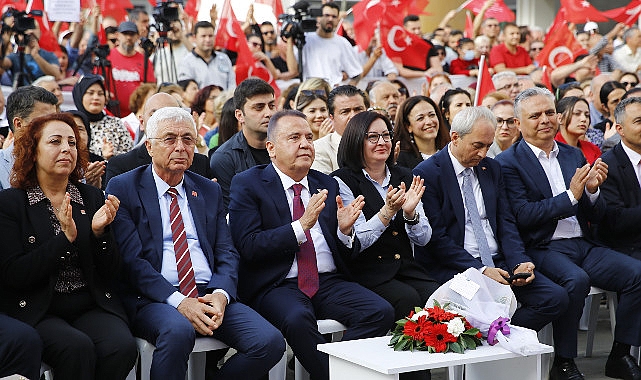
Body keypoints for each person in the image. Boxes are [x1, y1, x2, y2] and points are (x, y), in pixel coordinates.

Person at [106, 107, 285, 380]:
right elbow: (132, 262)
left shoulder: (207, 189)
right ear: (149, 147)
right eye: (170, 139)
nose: (180, 147)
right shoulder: (124, 187)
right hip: (155, 297)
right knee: (178, 331)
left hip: (208, 293)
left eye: (188, 139)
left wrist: (221, 294)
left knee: (269, 342)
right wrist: (179, 302)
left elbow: (226, 251)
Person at [228, 110, 394, 380]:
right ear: (271, 148)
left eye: (308, 137)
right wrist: (300, 226)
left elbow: (343, 249)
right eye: (294, 137)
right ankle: (338, 376)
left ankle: (334, 370)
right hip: (277, 283)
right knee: (297, 320)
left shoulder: (325, 182)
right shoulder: (249, 184)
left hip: (327, 280)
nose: (305, 143)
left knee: (379, 312)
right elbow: (248, 245)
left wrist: (344, 231)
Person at [495, 87, 641, 380]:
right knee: (576, 280)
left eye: (549, 112)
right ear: (519, 123)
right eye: (535, 116)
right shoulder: (508, 163)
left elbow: (595, 215)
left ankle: (620, 353)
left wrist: (591, 191)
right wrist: (571, 196)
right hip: (543, 246)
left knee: (636, 273)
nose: (544, 120)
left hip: (583, 244)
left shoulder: (573, 155)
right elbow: (523, 216)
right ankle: (564, 362)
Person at [0, 112, 137, 379]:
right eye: (55, 141)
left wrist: (100, 235)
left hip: (89, 303)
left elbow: (112, 272)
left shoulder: (92, 196)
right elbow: (14, 274)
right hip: (38, 306)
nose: (66, 149)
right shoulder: (11, 204)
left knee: (121, 347)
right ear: (33, 152)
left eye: (72, 143)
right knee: (76, 348)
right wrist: (64, 240)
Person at [412, 104, 567, 338]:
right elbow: (436, 239)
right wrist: (481, 270)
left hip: (499, 262)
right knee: (480, 308)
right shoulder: (428, 173)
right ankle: (494, 339)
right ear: (455, 137)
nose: (484, 153)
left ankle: (499, 337)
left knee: (554, 298)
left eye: (488, 145)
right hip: (458, 269)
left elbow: (505, 222)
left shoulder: (490, 167)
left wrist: (519, 261)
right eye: (477, 146)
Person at [333, 111, 440, 322]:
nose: (381, 142)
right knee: (405, 299)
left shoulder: (405, 175)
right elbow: (357, 241)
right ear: (356, 141)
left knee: (436, 295)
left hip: (405, 267)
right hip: (367, 271)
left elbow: (424, 238)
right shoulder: (342, 180)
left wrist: (410, 214)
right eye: (372, 137)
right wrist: (387, 212)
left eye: (386, 135)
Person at [105, 93, 213, 185]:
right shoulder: (122, 167)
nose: (163, 122)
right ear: (142, 122)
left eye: (170, 116)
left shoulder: (200, 164)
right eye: (155, 115)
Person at [209, 78, 275, 210]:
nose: (268, 113)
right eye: (259, 107)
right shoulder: (224, 158)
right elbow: (232, 214)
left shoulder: (288, 147)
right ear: (240, 115)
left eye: (272, 106)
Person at [599, 97, 641, 259]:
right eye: (638, 121)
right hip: (626, 248)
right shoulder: (607, 165)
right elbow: (615, 220)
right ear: (620, 129)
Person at [0, 86, 58, 189]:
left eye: (55, 120)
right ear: (18, 124)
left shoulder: (66, 162)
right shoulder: (2, 165)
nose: (53, 127)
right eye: (43, 121)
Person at [71, 74, 133, 160]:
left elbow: (130, 157)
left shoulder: (116, 124)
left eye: (100, 94)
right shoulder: (71, 123)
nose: (96, 97)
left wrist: (111, 156)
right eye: (91, 93)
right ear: (80, 96)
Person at [300, 2, 361, 87]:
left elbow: (357, 74)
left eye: (334, 16)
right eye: (327, 15)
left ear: (337, 20)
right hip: (310, 92)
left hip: (333, 94)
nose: (330, 19)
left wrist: (344, 92)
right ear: (319, 17)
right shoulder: (305, 39)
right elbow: (294, 69)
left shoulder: (342, 43)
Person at [312, 85, 369, 174]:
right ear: (332, 118)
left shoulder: (381, 142)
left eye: (358, 109)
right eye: (345, 112)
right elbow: (326, 186)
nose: (353, 116)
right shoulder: (319, 149)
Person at [107, 21, 156, 117]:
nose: (129, 38)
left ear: (137, 36)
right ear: (117, 35)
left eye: (132, 34)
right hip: (111, 113)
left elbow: (151, 88)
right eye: (125, 34)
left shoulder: (145, 61)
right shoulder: (108, 57)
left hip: (137, 115)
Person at [394, 95, 449, 169]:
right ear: (408, 126)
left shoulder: (450, 150)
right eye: (420, 118)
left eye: (432, 115)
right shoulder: (401, 160)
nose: (429, 121)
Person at [179, 21, 235, 90]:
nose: (208, 40)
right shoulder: (186, 62)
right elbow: (187, 91)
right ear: (195, 38)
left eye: (210, 36)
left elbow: (232, 86)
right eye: (203, 36)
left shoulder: (224, 58)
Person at [555, 97, 601, 164]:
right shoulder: (553, 150)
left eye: (587, 115)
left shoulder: (593, 149)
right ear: (560, 118)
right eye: (577, 114)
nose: (583, 119)